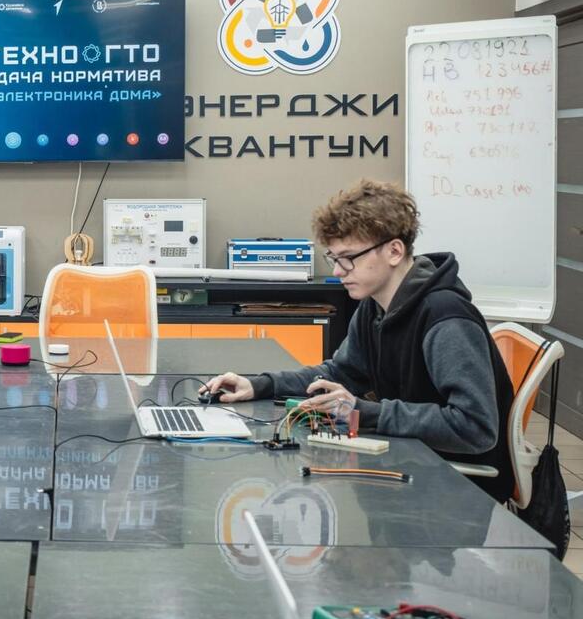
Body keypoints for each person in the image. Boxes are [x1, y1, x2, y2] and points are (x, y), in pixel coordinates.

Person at [204, 179, 515, 502]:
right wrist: (260, 385)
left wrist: (365, 412)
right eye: (334, 258)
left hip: (457, 489)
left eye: (348, 258)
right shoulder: (374, 307)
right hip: (412, 460)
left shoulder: (445, 318)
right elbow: (340, 373)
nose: (338, 271)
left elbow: (475, 427)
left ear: (394, 251)